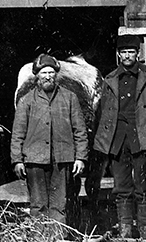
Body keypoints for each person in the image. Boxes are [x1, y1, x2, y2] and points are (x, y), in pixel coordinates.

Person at [93, 35, 146, 239]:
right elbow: (103, 113)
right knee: (122, 187)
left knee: (143, 187)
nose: (127, 56)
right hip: (118, 141)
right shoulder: (110, 79)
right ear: (118, 54)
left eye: (131, 52)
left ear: (138, 54)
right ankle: (125, 234)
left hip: (143, 140)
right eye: (123, 52)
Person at [11, 53, 88, 230]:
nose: (47, 77)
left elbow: (80, 131)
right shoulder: (26, 101)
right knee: (38, 205)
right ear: (37, 76)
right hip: (35, 160)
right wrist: (17, 160)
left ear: (56, 75)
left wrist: (80, 157)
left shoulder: (69, 98)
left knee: (59, 204)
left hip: (62, 160)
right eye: (44, 73)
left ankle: (58, 238)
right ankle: (40, 238)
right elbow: (17, 134)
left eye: (51, 73)